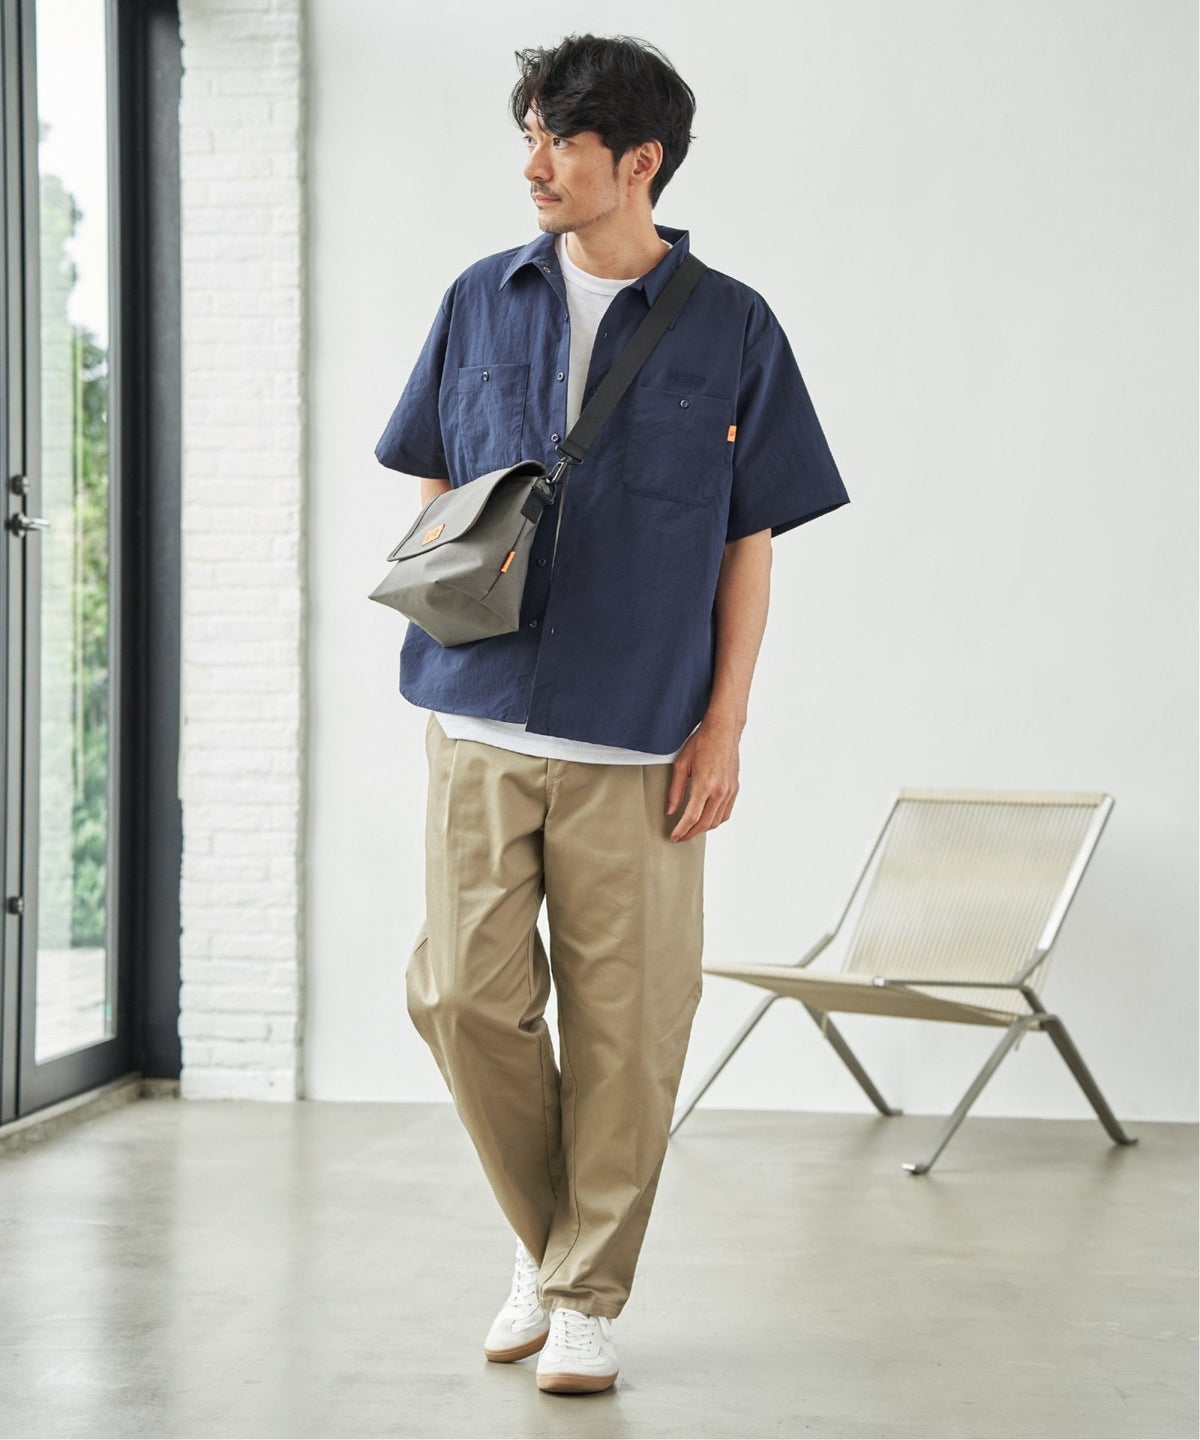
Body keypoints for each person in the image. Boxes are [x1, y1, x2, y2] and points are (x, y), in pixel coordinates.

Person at [374, 32, 850, 1395]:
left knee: (629, 1028)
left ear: (639, 161)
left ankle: (581, 1293)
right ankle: (550, 1241)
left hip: (640, 733)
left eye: (560, 140)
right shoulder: (479, 298)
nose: (534, 163)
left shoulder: (734, 325)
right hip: (476, 716)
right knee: (459, 996)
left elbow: (751, 539)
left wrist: (726, 725)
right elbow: (435, 480)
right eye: (528, 134)